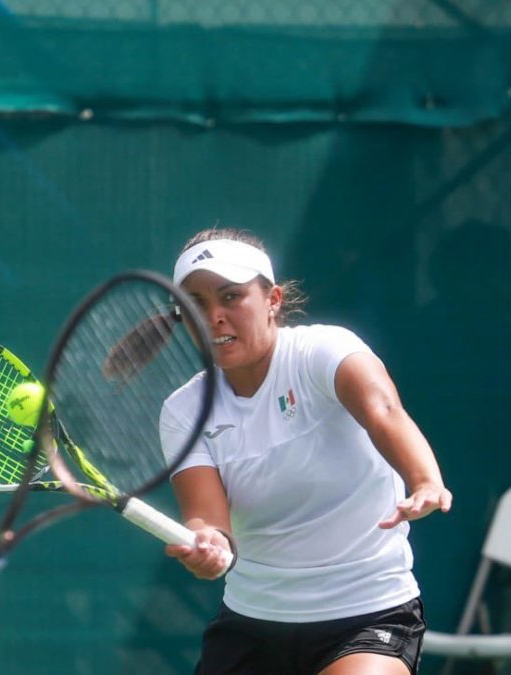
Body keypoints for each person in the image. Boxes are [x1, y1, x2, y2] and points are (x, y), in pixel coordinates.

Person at [159, 227, 453, 675]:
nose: (214, 315)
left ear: (272, 299)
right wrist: (211, 546)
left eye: (231, 297)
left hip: (368, 614)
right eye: (196, 304)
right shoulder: (182, 411)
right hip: (251, 626)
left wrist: (425, 479)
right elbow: (208, 517)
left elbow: (384, 411)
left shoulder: (325, 352)